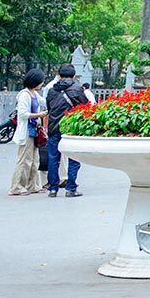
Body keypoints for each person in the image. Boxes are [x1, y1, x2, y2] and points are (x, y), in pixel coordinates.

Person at [44, 65, 91, 198]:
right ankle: (71, 188)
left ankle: (53, 189)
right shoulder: (77, 89)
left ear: (59, 75)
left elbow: (49, 109)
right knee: (74, 157)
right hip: (71, 128)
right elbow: (85, 106)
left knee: (53, 159)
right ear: (74, 76)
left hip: (54, 128)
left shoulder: (52, 90)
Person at [8, 70, 48, 196]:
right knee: (24, 159)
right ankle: (16, 187)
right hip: (26, 130)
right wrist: (39, 115)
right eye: (41, 81)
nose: (42, 84)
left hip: (34, 130)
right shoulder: (24, 95)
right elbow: (23, 114)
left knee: (35, 159)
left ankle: (33, 185)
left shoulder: (34, 93)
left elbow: (44, 102)